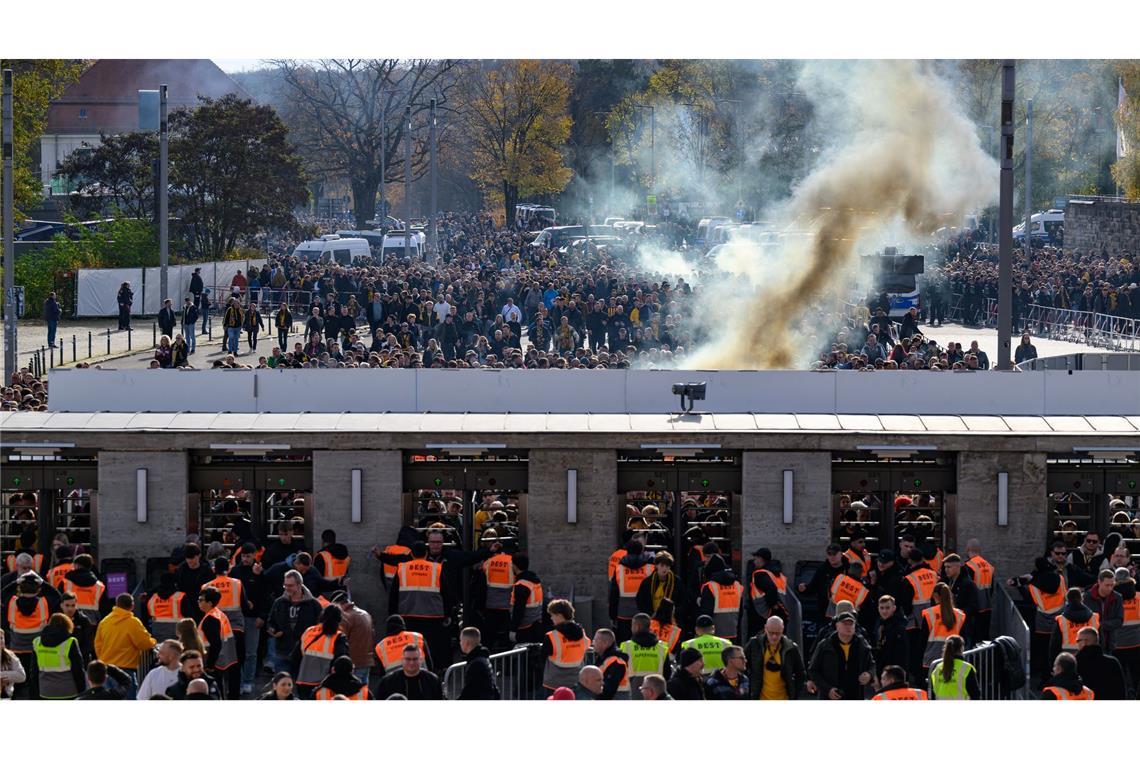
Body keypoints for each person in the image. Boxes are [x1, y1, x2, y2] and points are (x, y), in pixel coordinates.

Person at [387, 541, 451, 672]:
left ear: (411, 554)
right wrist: (448, 613)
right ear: (426, 554)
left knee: (411, 645)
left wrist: (393, 615)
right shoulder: (437, 568)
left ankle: (411, 669)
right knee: (431, 646)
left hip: (407, 615)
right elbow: (446, 593)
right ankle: (432, 671)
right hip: (433, 616)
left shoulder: (402, 568)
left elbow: (393, 595)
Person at [93, 593, 155, 699]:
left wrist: (103, 659)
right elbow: (144, 644)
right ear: (132, 606)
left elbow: (97, 644)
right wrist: (153, 641)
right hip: (126, 671)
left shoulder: (105, 621)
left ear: (116, 604)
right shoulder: (133, 622)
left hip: (106, 669)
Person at [807, 612, 876, 700]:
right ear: (837, 626)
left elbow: (872, 664)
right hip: (831, 696)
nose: (848, 627)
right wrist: (828, 689)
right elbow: (813, 670)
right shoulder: (825, 645)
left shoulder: (862, 644)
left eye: (851, 624)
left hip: (855, 695)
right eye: (845, 624)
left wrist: (869, 674)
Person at [265, 569, 322, 675]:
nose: (287, 588)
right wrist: (273, 630)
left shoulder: (314, 605)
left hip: (305, 654)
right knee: (283, 686)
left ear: (300, 585)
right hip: (282, 651)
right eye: (285, 585)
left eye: (290, 585)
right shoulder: (279, 602)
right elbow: (270, 621)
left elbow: (320, 627)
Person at [293, 602, 348, 700]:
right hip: (325, 683)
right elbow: (340, 661)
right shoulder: (338, 637)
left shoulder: (308, 631)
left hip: (303, 681)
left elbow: (295, 656)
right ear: (339, 619)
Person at [744, 615, 805, 700]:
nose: (774, 637)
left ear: (782, 630)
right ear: (765, 628)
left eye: (778, 633)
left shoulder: (791, 648)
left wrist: (794, 694)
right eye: (771, 633)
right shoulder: (754, 644)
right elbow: (743, 668)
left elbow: (800, 673)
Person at [918, 582, 966, 683]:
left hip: (931, 659)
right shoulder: (960, 614)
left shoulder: (929, 613)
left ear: (935, 595)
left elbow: (922, 640)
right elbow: (963, 636)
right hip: (955, 658)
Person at [541, 598, 590, 695]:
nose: (551, 618)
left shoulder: (551, 636)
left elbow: (542, 658)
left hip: (554, 684)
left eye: (552, 615)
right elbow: (587, 645)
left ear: (559, 615)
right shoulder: (582, 633)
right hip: (576, 682)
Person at [197, 586, 239, 699]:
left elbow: (216, 644)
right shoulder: (217, 614)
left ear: (209, 603)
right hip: (223, 660)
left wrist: (210, 665)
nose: (198, 602)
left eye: (201, 600)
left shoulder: (210, 619)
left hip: (214, 663)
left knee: (216, 693)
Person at [32, 612, 86, 699]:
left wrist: (36, 692)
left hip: (45, 691)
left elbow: (34, 671)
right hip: (68, 691)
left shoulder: (37, 642)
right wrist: (82, 690)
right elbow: (78, 669)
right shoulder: (70, 642)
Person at [619, 613, 671, 699]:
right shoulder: (661, 647)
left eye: (632, 625)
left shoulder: (626, 646)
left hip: (633, 689)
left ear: (637, 626)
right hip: (656, 689)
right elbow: (667, 672)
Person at [610, 539, 652, 642]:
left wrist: (612, 615)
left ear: (627, 551)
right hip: (644, 614)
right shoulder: (650, 567)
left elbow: (613, 594)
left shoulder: (619, 568)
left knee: (625, 645)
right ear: (642, 550)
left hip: (623, 614)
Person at [698, 554, 745, 642]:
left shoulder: (710, 587)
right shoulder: (737, 586)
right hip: (733, 633)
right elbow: (741, 613)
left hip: (713, 635)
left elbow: (706, 614)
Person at [332, 592, 373, 686]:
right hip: (367, 661)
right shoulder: (365, 614)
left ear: (338, 604)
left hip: (353, 663)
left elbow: (340, 640)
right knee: (363, 694)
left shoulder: (345, 617)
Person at [375, 643, 443, 700]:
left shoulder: (433, 681)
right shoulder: (387, 682)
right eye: (408, 659)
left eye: (415, 659)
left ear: (421, 660)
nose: (411, 663)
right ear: (402, 660)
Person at [1074, 626, 1125, 700]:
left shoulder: (1076, 663)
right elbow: (1121, 690)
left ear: (1085, 642)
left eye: (1078, 641)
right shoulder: (1113, 662)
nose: (1077, 644)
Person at [1050, 587, 1099, 662]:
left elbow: (1055, 645)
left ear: (1067, 600)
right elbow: (1100, 640)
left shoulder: (1061, 620)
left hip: (1069, 660)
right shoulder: (1094, 617)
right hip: (1091, 658)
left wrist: (1053, 664)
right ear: (1081, 598)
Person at [927, 635, 980, 700]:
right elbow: (975, 694)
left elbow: (933, 693)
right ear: (961, 648)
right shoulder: (967, 668)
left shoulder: (937, 668)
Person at [1083, 568, 1124, 651]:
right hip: (1092, 643)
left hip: (1110, 642)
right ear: (1099, 582)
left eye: (1112, 585)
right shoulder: (1086, 598)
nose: (1109, 588)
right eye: (1107, 585)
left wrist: (1100, 625)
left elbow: (1119, 620)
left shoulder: (1117, 597)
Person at [963, 538, 995, 640]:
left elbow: (967, 589)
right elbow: (992, 587)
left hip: (975, 607)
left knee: (974, 637)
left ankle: (974, 656)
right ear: (979, 550)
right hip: (987, 605)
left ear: (967, 550)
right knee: (984, 636)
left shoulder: (969, 566)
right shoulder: (988, 565)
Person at [508, 554, 544, 644]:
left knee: (523, 656)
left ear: (515, 566)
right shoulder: (535, 581)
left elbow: (518, 609)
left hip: (525, 628)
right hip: (536, 625)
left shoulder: (521, 585)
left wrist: (513, 630)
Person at [457, 627, 499, 700]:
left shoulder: (476, 665)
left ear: (467, 642)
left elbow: (469, 692)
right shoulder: (483, 658)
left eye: (461, 640)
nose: (460, 643)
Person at [593, 627, 631, 700]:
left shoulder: (617, 663)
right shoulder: (602, 659)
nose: (593, 642)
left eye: (596, 640)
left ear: (605, 643)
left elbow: (608, 691)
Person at [1, 629, 26, 699]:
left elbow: (22, 676)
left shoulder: (10, 655)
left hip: (6, 696)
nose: (0, 641)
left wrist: (3, 676)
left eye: (1, 638)